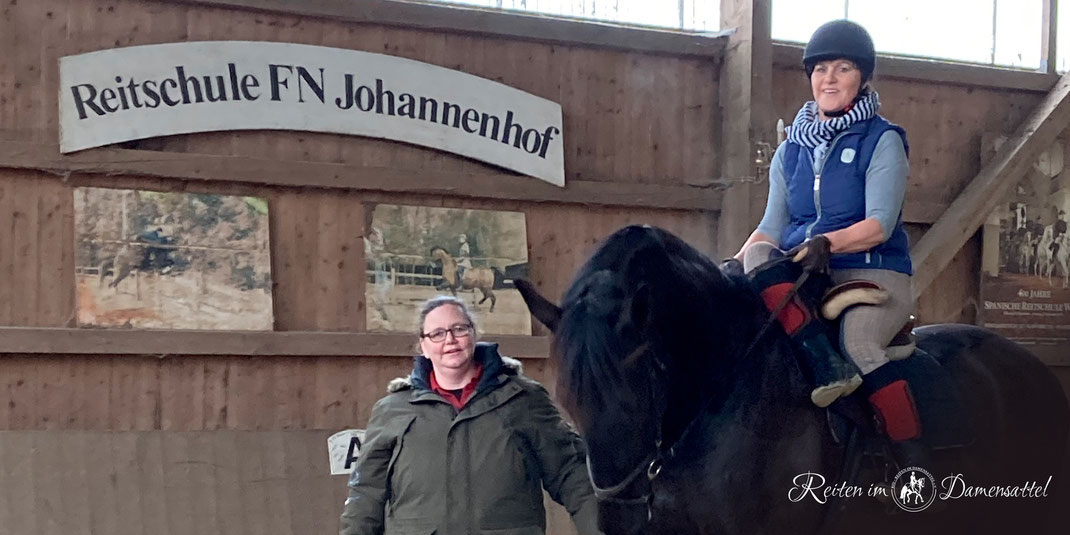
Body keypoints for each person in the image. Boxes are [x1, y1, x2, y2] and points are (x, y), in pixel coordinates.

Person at [730, 20, 927, 468]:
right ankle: (823, 367)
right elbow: (770, 229)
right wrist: (734, 263)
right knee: (759, 264)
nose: (829, 79)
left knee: (858, 342)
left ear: (861, 78)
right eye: (820, 70)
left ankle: (912, 458)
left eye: (842, 69)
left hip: (874, 273)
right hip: (807, 273)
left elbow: (878, 224)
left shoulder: (883, 141)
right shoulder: (789, 152)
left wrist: (825, 241)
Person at [339, 296, 600, 535]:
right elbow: (366, 495)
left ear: (474, 335)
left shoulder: (524, 400)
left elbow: (572, 476)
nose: (450, 340)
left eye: (459, 329)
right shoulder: (392, 410)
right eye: (437, 334)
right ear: (424, 346)